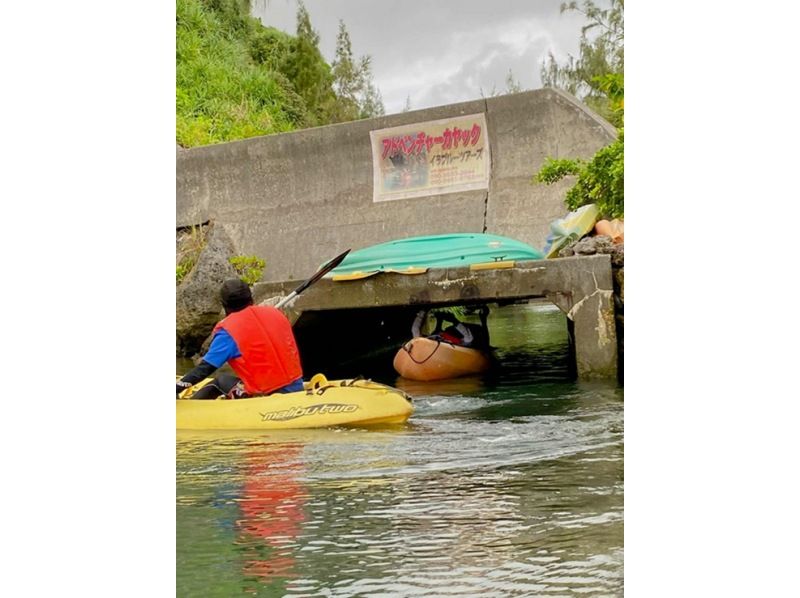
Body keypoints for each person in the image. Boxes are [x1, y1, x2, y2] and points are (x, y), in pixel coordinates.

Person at [176, 279, 304, 400]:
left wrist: (176, 389)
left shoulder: (228, 332)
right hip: (296, 386)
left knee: (220, 381)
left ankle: (191, 409)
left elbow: (203, 370)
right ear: (251, 298)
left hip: (267, 396)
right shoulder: (276, 314)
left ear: (224, 305)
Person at [411, 306, 491, 350]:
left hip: (450, 341)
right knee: (439, 332)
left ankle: (483, 320)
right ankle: (483, 320)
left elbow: (469, 339)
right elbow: (469, 338)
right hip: (442, 340)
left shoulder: (460, 343)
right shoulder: (436, 336)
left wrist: (453, 320)